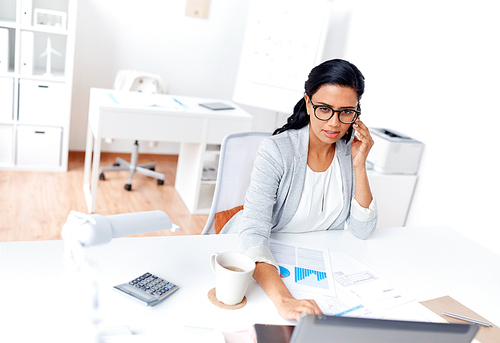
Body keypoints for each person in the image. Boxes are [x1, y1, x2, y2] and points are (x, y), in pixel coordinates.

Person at [220, 59, 377, 320]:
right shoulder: (278, 151)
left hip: (313, 267)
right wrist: (284, 300)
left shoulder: (347, 152)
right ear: (308, 102)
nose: (335, 123)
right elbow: (254, 234)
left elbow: (363, 230)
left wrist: (359, 165)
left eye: (346, 112)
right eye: (324, 109)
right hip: (260, 261)